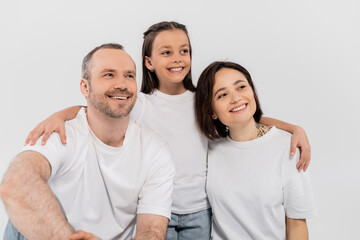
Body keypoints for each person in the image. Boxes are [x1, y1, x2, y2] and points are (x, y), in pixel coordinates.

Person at [23, 22, 312, 240]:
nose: (177, 58)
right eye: (166, 52)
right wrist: (57, 116)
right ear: (148, 62)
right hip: (154, 211)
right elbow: (97, 108)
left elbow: (242, 115)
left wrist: (293, 128)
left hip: (200, 212)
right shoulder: (140, 103)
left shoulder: (201, 100)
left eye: (184, 51)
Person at [0, 43, 175, 240]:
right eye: (109, 74)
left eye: (129, 75)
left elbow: (151, 232)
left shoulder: (156, 150)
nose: (122, 84)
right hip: (56, 236)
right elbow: (15, 184)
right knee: (22, 215)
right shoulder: (60, 133)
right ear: (85, 87)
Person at [195, 61, 317, 240]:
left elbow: (297, 224)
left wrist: (295, 128)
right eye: (222, 95)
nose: (236, 98)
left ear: (252, 91)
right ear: (212, 111)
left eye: (241, 87)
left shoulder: (287, 147)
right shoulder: (209, 149)